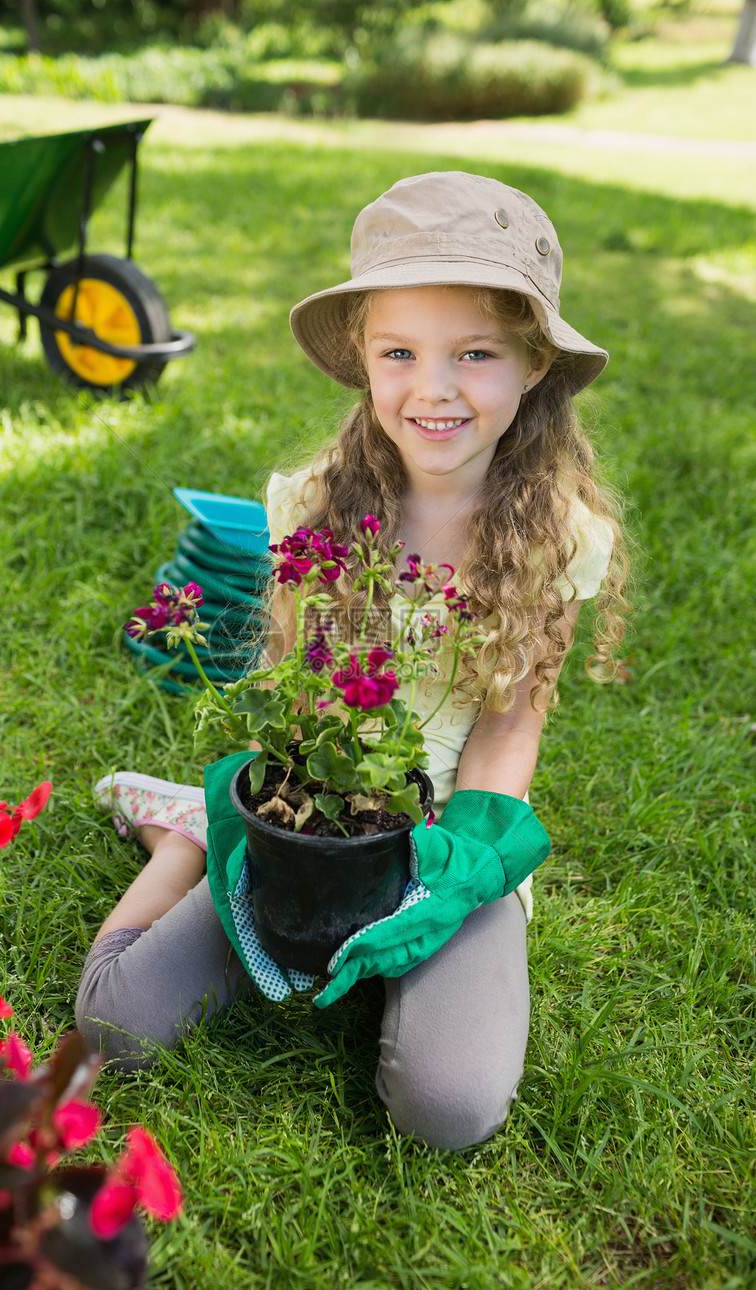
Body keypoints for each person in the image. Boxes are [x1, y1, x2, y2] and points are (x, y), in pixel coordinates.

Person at [76, 171, 629, 1151]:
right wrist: (292, 833)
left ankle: (428, 953)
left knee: (447, 1110)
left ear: (534, 361)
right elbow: (307, 707)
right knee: (118, 1026)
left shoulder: (554, 538)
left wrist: (451, 869)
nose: (434, 387)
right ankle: (182, 841)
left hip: (452, 829)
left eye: (475, 353)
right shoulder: (315, 509)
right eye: (398, 352)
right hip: (322, 808)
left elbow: (508, 733)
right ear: (363, 361)